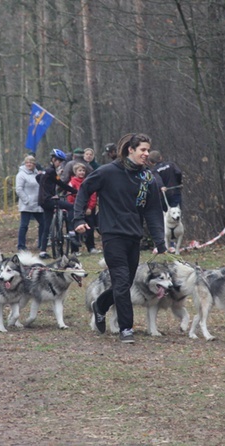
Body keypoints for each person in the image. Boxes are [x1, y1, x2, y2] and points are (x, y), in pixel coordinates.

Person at [74, 133, 166, 344]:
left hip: (134, 236)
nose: (146, 154)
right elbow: (84, 190)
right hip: (112, 234)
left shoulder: (147, 178)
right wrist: (78, 218)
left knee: (122, 284)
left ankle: (101, 305)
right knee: (122, 280)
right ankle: (126, 328)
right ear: (130, 150)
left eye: (147, 150)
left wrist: (159, 241)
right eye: (142, 149)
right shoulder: (107, 172)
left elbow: (153, 211)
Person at [38, 148, 77, 259]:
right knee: (70, 207)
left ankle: (42, 251)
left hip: (43, 201)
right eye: (59, 161)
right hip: (49, 200)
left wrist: (48, 192)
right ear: (53, 159)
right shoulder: (51, 171)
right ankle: (71, 231)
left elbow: (39, 178)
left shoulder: (47, 171)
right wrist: (76, 191)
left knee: (46, 226)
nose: (60, 164)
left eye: (61, 162)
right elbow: (61, 184)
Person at [68, 163, 100, 255]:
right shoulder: (72, 182)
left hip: (88, 208)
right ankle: (74, 250)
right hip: (76, 208)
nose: (82, 172)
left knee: (90, 228)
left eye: (83, 171)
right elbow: (69, 197)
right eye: (79, 171)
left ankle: (91, 247)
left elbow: (93, 195)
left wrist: (90, 207)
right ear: (75, 172)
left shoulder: (88, 181)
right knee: (75, 228)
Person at [15, 154, 44, 251]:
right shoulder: (21, 175)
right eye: (27, 162)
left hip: (37, 204)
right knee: (24, 225)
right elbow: (19, 189)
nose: (29, 164)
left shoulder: (37, 174)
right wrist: (26, 200)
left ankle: (41, 243)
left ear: (34, 164)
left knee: (43, 223)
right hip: (26, 205)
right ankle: (21, 246)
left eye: (31, 162)